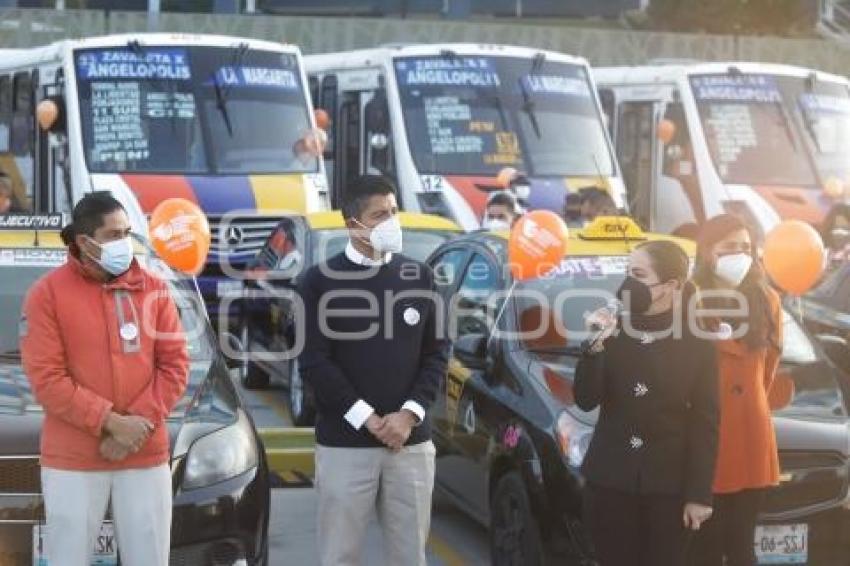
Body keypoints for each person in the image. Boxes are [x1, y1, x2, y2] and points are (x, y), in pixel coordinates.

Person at [20, 192, 189, 566]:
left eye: (127, 231)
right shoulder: (46, 295)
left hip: (143, 456)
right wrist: (111, 424)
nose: (124, 242)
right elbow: (48, 380)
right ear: (84, 242)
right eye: (114, 234)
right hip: (73, 460)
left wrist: (134, 430)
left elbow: (175, 365)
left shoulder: (154, 290)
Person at [299, 175, 450, 566]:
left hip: (410, 445)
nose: (391, 222)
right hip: (345, 446)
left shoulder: (419, 277)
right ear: (354, 224)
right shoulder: (317, 283)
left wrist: (408, 414)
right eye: (380, 214)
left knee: (409, 556)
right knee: (340, 555)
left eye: (394, 212)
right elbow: (314, 361)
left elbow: (437, 353)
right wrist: (368, 419)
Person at [574, 240, 719, 566]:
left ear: (671, 286)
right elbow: (585, 400)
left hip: (669, 487)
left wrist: (699, 494)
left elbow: (705, 422)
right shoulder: (611, 330)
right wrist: (594, 348)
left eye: (638, 274)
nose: (628, 283)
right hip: (611, 482)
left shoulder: (697, 343)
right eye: (627, 273)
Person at [688, 214, 783, 566]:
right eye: (730, 247)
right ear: (708, 251)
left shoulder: (766, 298)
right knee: (704, 549)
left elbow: (769, 370)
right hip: (706, 438)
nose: (740, 254)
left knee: (743, 548)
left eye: (746, 247)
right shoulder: (690, 297)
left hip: (751, 434)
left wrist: (752, 404)